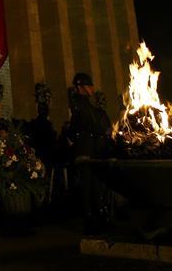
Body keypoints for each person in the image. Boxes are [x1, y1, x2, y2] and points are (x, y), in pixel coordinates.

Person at [68, 72, 113, 234]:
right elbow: (88, 123)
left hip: (91, 149)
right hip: (85, 149)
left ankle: (98, 214)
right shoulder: (79, 104)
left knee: (95, 184)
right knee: (88, 186)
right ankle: (90, 218)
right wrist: (104, 130)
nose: (92, 88)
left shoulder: (85, 104)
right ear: (81, 87)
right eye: (89, 85)